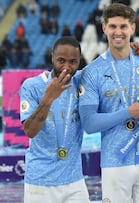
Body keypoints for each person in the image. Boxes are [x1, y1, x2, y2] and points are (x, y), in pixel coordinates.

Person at [78, 3, 139, 203]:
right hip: (114, 163)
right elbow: (89, 124)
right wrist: (129, 112)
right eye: (113, 27)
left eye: (123, 27)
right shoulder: (92, 72)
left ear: (133, 28)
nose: (118, 32)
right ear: (104, 28)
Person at [19, 36, 90, 203]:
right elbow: (30, 131)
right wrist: (48, 99)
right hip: (40, 182)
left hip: (74, 181)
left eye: (73, 62)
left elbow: (108, 64)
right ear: (52, 57)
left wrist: (134, 49)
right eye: (61, 60)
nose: (66, 67)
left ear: (79, 61)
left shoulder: (82, 81)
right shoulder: (32, 86)